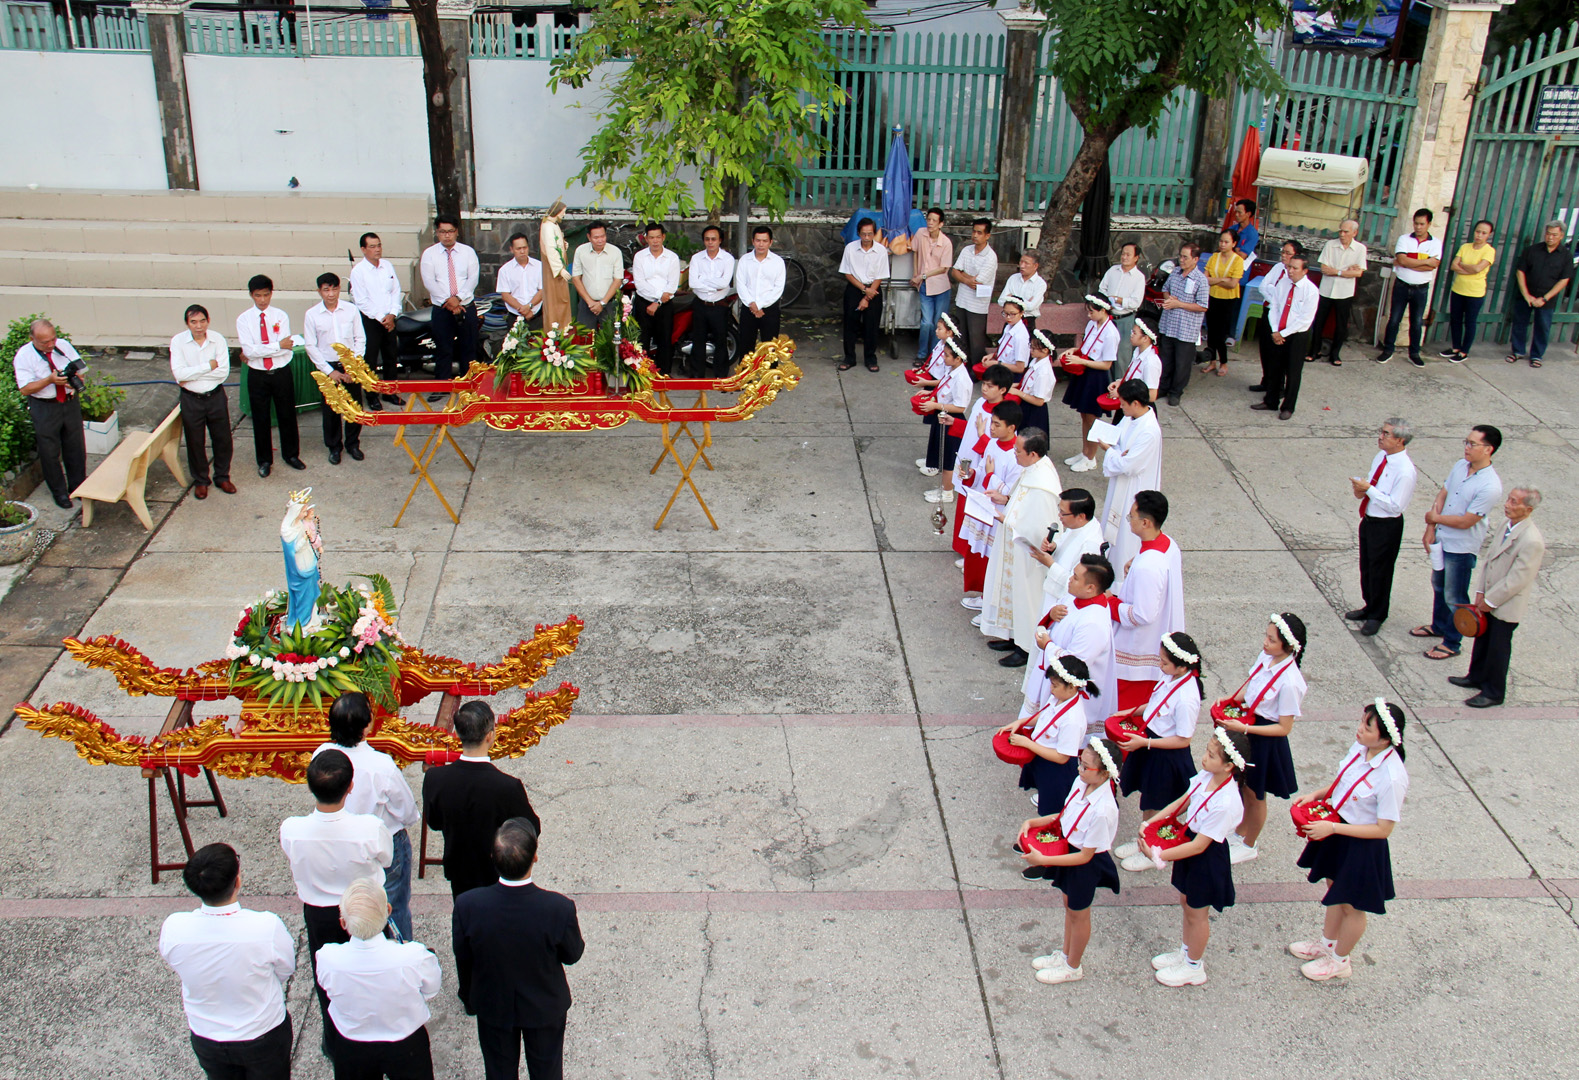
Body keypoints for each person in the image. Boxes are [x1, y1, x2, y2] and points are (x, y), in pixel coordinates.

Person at [452, 818, 584, 1080]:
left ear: (493, 857)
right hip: (544, 1005)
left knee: (499, 1072)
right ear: (534, 858)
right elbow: (573, 954)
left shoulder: (468, 905)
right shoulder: (558, 908)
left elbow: (463, 954)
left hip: (493, 1003)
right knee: (547, 1072)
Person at [279, 749, 394, 1047]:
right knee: (373, 971)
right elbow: (386, 859)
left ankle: (335, 1040)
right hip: (364, 906)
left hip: (319, 912)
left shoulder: (292, 829)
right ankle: (376, 1031)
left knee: (327, 980)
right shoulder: (369, 828)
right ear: (350, 786)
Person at [1289, 700, 1409, 982]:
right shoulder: (1362, 748)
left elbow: (1383, 830)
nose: (1359, 730)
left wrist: (1333, 829)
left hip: (1360, 843)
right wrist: (1319, 795)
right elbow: (1345, 781)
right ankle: (1326, 944)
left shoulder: (1392, 777)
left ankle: (1340, 961)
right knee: (1334, 891)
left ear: (1386, 738)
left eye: (1367, 727)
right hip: (1337, 827)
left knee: (1351, 906)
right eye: (1361, 722)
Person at [159, 843, 295, 1080]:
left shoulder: (174, 927)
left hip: (207, 1036)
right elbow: (285, 969)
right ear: (237, 881)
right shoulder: (265, 926)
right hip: (262, 1032)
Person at [1139, 728, 1251, 987]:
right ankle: (1185, 951)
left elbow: (1200, 846)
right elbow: (1182, 801)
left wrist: (1158, 854)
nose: (1204, 758)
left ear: (1229, 767)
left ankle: (1193, 966)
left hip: (1206, 855)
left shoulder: (1226, 802)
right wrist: (1152, 822)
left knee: (1198, 911)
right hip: (1190, 841)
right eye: (1207, 752)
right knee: (1186, 902)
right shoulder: (1207, 775)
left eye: (1212, 756)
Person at [313, 692, 420, 942]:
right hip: (381, 842)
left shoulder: (323, 753)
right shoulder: (381, 764)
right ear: (368, 724)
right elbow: (407, 812)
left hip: (338, 840)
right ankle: (401, 947)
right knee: (393, 902)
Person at [1018, 738, 1123, 985]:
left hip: (1084, 863)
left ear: (1105, 773)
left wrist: (1043, 858)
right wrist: (1034, 822)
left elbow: (1087, 855)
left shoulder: (1103, 809)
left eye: (1086, 767)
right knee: (1069, 905)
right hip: (1069, 850)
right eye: (1080, 763)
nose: (1080, 769)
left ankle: (1073, 966)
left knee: (1079, 912)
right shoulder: (1081, 782)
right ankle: (1065, 954)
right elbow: (1065, 815)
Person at [316, 878, 441, 1080]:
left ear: (343, 923)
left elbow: (327, 989)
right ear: (388, 910)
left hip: (352, 1044)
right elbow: (431, 988)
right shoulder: (414, 956)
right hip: (405, 1040)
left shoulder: (328, 958)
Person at [422, 701, 541, 898]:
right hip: (497, 871)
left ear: (459, 734)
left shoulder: (435, 779)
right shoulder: (507, 786)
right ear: (489, 735)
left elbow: (434, 822)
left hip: (458, 870)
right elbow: (531, 828)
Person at [1215, 613, 1307, 865]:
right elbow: (1253, 687)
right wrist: (1234, 700)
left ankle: (1249, 843)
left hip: (1264, 736)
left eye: (1272, 640)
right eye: (1266, 636)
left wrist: (1244, 729)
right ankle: (1240, 830)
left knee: (1256, 794)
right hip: (1249, 723)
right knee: (1243, 785)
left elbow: (1283, 727)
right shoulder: (1266, 657)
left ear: (1288, 647)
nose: (1265, 643)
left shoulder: (1290, 682)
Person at [1111, 632, 1204, 872]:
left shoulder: (1187, 698)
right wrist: (1130, 712)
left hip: (1165, 752)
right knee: (1148, 798)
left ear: (1182, 666)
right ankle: (1144, 838)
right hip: (1150, 743)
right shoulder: (1170, 678)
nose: (1159, 665)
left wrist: (1145, 744)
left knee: (1159, 803)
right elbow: (1155, 704)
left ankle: (1152, 848)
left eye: (1164, 662)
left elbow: (1183, 739)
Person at [1415, 424, 1503, 661]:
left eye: (1473, 444)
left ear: (1488, 450)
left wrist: (1435, 518)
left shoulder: (1490, 485)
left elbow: (1467, 521)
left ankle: (1452, 642)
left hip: (1461, 547)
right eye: (1466, 442)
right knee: (1438, 585)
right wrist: (1431, 527)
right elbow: (1443, 493)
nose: (1467, 447)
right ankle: (1439, 625)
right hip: (1442, 539)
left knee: (1455, 595)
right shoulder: (1460, 466)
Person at [1451, 487, 1545, 707]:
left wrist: (1490, 601)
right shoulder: (1506, 525)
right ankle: (1476, 676)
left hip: (1505, 605)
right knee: (1482, 639)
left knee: (1498, 647)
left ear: (1528, 509)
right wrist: (1481, 592)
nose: (1508, 505)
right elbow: (1490, 560)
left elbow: (1517, 579)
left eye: (1514, 502)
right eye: (1509, 500)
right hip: (1489, 598)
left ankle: (1493, 692)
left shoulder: (1532, 541)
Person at [976, 428, 1060, 661]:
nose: (1014, 454)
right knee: (1012, 593)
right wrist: (1004, 500)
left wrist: (1003, 517)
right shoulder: (1032, 469)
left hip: (1027, 556)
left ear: (1033, 454)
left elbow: (1038, 526)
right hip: (1013, 546)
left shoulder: (1043, 486)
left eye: (1018, 451)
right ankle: (1013, 636)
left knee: (1026, 597)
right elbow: (1021, 502)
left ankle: (1026, 647)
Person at [1021, 554, 1117, 724]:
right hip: (1049, 676)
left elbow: (1075, 666)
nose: (1070, 580)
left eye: (1075, 577)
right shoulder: (1075, 597)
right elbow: (1058, 621)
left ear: (1090, 588)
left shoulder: (1094, 623)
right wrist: (1051, 615)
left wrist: (1047, 645)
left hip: (1067, 690)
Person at [1110, 490, 1185, 707]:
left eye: (1131, 517)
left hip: (1141, 648)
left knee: (1126, 711)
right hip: (1160, 633)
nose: (1129, 521)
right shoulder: (1167, 543)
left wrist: (1111, 602)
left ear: (1145, 522)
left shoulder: (1148, 566)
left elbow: (1143, 614)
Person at [999, 653, 1097, 818]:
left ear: (1072, 686)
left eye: (1055, 685)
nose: (1051, 689)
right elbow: (1045, 715)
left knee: (1052, 811)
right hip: (1042, 755)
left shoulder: (1073, 719)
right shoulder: (1059, 697)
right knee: (1043, 790)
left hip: (1056, 769)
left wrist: (1027, 743)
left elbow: (1062, 757)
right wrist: (1021, 722)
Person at [1345, 417, 1418, 636]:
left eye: (1387, 434)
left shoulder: (1405, 471)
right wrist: (1362, 488)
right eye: (1382, 431)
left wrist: (1369, 490)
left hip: (1386, 526)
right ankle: (1369, 605)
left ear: (1400, 440)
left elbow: (1395, 506)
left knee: (1381, 571)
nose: (1381, 436)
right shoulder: (1381, 457)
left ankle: (1378, 614)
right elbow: (1373, 482)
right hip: (1369, 519)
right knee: (1367, 567)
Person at [959, 404, 1024, 616]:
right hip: (985, 508)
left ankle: (992, 605)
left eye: (997, 424)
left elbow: (1012, 493)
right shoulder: (993, 444)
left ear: (1012, 427)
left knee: (995, 559)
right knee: (981, 556)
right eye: (992, 423)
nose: (992, 428)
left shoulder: (1018, 457)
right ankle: (984, 595)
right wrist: (971, 474)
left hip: (1000, 514)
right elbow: (982, 470)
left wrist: (988, 476)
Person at [235, 275, 304, 478]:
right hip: (258, 374)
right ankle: (264, 460)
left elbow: (286, 349)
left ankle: (291, 455)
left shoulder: (280, 316)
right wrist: (275, 346)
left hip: (281, 371)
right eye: (258, 296)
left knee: (287, 415)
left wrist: (267, 348)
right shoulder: (244, 319)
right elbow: (249, 351)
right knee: (261, 418)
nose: (263, 300)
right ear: (251, 295)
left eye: (266, 295)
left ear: (271, 293)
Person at [303, 272, 368, 466]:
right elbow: (310, 346)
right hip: (328, 366)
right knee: (331, 410)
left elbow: (360, 338)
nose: (331, 294)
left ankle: (352, 444)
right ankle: (334, 447)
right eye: (326, 290)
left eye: (334, 289)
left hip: (350, 365)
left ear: (339, 289)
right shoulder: (312, 314)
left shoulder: (351, 310)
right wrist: (329, 372)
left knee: (354, 407)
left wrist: (354, 367)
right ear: (319, 291)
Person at [1098, 379, 1163, 577]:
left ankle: (1121, 576)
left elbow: (1129, 465)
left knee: (1126, 534)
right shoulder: (1131, 418)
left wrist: (1109, 451)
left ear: (1136, 403)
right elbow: (1119, 440)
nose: (1120, 406)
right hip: (1120, 483)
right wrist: (1118, 451)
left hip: (1134, 487)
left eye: (1123, 403)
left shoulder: (1149, 431)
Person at [170, 305, 235, 501]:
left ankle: (222, 476)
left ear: (208, 320)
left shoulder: (217, 340)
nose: (199, 326)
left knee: (222, 438)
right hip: (191, 399)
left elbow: (222, 372)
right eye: (193, 322)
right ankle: (201, 481)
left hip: (215, 396)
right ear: (187, 323)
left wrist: (192, 374)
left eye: (202, 321)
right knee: (195, 441)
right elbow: (178, 374)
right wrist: (208, 366)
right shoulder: (178, 342)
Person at [1251, 254, 1319, 420]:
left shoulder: (1311, 291)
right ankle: (1271, 400)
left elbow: (1304, 319)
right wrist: (1275, 331)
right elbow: (1274, 307)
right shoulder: (1283, 283)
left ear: (1305, 271)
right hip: (1278, 331)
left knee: (1293, 372)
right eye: (1289, 267)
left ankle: (1288, 406)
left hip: (1296, 335)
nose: (1290, 271)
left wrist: (1284, 333)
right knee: (1274, 367)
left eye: (1295, 268)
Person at [420, 215, 480, 398]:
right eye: (443, 232)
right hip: (441, 307)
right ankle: (441, 386)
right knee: (443, 347)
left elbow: (473, 279)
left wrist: (458, 299)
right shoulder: (429, 254)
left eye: (450, 231)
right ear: (437, 233)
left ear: (457, 232)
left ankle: (468, 385)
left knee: (468, 347)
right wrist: (449, 301)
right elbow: (429, 281)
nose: (447, 236)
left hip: (465, 305)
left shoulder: (468, 252)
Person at [1059, 295, 1120, 472]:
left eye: (1092, 312)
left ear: (1103, 310)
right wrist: (1074, 352)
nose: (1089, 315)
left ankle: (1091, 457)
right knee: (1084, 415)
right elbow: (1086, 347)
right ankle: (1085, 451)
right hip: (1085, 369)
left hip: (1096, 375)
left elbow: (1107, 364)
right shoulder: (1093, 324)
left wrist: (1083, 362)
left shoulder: (1111, 333)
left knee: (1093, 416)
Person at [1377, 208, 1441, 367]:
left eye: (1422, 224)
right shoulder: (1404, 239)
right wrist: (1425, 261)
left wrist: (1409, 262)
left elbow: (1432, 266)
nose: (1418, 227)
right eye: (1416, 223)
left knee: (1417, 321)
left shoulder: (1436, 243)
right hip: (1402, 285)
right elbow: (1402, 260)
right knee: (1394, 319)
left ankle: (1414, 353)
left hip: (1421, 288)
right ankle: (1388, 349)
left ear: (1429, 224)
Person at [349, 231, 404, 409]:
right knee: (370, 359)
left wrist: (392, 314)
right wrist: (382, 317)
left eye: (379, 245)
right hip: (371, 320)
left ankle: (390, 392)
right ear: (363, 249)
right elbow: (362, 301)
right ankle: (371, 395)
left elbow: (396, 290)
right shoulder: (358, 271)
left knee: (391, 357)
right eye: (372, 246)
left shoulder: (387, 266)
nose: (377, 250)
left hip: (390, 319)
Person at [1507, 219, 1572, 368]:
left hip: (1546, 298)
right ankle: (1517, 351)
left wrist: (1544, 298)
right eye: (1548, 234)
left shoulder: (1565, 256)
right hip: (1526, 295)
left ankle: (1537, 355)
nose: (1550, 238)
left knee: (1542, 326)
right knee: (1519, 323)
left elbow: (1564, 280)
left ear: (1561, 236)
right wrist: (1526, 295)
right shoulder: (1532, 250)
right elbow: (1520, 271)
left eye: (1554, 235)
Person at [1155, 242, 1208, 407]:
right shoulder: (1176, 273)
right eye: (1181, 256)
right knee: (1166, 358)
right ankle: (1163, 387)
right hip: (1169, 324)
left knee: (1182, 363)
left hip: (1186, 328)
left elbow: (1203, 306)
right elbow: (1165, 289)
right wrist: (1169, 298)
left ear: (1195, 259)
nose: (1182, 260)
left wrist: (1180, 304)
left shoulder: (1201, 280)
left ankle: (1176, 391)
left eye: (1185, 257)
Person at [919, 337, 974, 497]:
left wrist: (935, 405)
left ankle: (948, 492)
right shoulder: (952, 371)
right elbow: (944, 389)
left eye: (947, 355)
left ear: (958, 358)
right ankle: (944, 488)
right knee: (941, 455)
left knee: (948, 459)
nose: (944, 357)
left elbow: (960, 406)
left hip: (952, 420)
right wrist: (930, 393)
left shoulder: (962, 378)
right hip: (943, 416)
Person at [1308, 219, 1367, 367]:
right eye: (1340, 231)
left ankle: (1335, 353)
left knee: (1341, 324)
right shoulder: (1330, 245)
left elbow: (1359, 273)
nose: (1342, 234)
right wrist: (1346, 272)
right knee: (1319, 320)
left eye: (1346, 231)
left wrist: (1337, 271)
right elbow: (1324, 269)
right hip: (1326, 289)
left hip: (1345, 292)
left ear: (1354, 233)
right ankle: (1314, 350)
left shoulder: (1360, 249)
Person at [839, 217, 889, 372]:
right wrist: (863, 289)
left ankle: (870, 358)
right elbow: (847, 273)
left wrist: (867, 297)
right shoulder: (850, 248)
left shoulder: (881, 250)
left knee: (871, 326)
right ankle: (849, 358)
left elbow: (880, 275)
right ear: (858, 233)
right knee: (850, 325)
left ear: (874, 233)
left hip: (873, 289)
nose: (866, 238)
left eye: (869, 234)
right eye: (863, 234)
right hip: (855, 287)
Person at [1248, 240, 1298, 394]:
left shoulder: (1294, 274)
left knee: (1279, 351)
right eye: (1283, 252)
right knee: (1265, 348)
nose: (1284, 256)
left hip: (1282, 316)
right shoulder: (1278, 267)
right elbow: (1264, 286)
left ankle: (1278, 385)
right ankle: (1266, 380)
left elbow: (1283, 298)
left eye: (1288, 253)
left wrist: (1274, 294)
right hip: (1268, 310)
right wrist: (1274, 295)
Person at [631, 222, 682, 375]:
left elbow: (672, 285)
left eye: (658, 237)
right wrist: (658, 296)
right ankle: (643, 375)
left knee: (665, 341)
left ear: (663, 237)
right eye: (651, 237)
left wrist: (658, 302)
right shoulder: (639, 257)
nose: (655, 241)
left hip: (664, 304)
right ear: (646, 239)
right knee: (642, 341)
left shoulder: (672, 257)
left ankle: (663, 375)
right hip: (643, 303)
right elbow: (640, 284)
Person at [1442, 219, 1495, 363]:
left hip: (1475, 293)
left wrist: (1463, 266)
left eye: (1484, 233)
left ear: (1489, 235)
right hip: (1458, 289)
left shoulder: (1489, 251)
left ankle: (1464, 351)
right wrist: (1469, 268)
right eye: (1478, 231)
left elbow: (1479, 268)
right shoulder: (1465, 247)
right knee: (1455, 319)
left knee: (1470, 321)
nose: (1479, 235)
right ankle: (1455, 347)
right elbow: (1453, 265)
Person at [687, 224, 736, 376]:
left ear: (720, 240)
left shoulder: (727, 259)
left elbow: (724, 283)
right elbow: (693, 283)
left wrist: (704, 281)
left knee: (720, 340)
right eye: (707, 239)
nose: (710, 242)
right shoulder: (697, 258)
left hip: (719, 306)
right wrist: (713, 286)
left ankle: (721, 375)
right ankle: (697, 375)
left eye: (713, 239)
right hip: (700, 304)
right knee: (698, 340)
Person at [951, 218, 997, 368]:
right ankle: (962, 366)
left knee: (976, 339)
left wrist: (963, 276)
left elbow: (977, 282)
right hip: (962, 300)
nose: (975, 235)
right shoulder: (966, 250)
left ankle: (976, 370)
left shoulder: (991, 256)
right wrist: (966, 278)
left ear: (987, 236)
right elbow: (954, 271)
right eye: (974, 231)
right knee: (961, 335)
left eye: (979, 232)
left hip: (978, 304)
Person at [910, 208, 954, 361]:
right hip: (924, 286)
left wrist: (922, 275)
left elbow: (943, 268)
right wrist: (916, 274)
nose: (930, 223)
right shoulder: (921, 233)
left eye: (934, 220)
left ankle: (935, 356)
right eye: (929, 219)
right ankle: (922, 354)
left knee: (938, 323)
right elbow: (915, 252)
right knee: (926, 322)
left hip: (941, 287)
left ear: (941, 224)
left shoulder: (946, 243)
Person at [735, 224, 786, 353]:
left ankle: (770, 373)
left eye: (764, 241)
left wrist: (761, 305)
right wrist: (752, 304)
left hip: (770, 309)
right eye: (758, 240)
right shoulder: (744, 260)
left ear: (770, 242)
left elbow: (778, 288)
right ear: (753, 241)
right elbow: (741, 284)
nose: (761, 244)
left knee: (770, 348)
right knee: (746, 347)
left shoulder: (777, 262)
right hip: (748, 308)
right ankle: (746, 374)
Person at [1201, 229, 1245, 375]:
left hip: (1228, 300)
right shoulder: (1214, 257)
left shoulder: (1238, 260)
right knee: (1211, 331)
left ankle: (1224, 362)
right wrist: (1222, 280)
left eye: (1226, 242)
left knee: (1221, 333)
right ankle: (1212, 360)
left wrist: (1215, 281)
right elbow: (1205, 278)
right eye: (1221, 241)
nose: (1223, 244)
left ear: (1233, 243)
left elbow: (1233, 284)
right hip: (1212, 296)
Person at [570, 219, 623, 333]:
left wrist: (602, 303)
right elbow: (576, 278)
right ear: (589, 237)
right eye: (596, 237)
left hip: (608, 304)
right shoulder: (581, 251)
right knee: (585, 340)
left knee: (609, 341)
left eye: (602, 236)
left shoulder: (615, 252)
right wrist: (590, 302)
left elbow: (618, 280)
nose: (600, 240)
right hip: (587, 304)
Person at [1098, 241, 1147, 365]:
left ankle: (1120, 382)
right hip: (1108, 316)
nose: (1124, 257)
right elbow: (1102, 288)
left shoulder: (1139, 277)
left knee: (1122, 354)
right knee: (1105, 351)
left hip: (1125, 319)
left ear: (1136, 258)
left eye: (1128, 255)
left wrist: (1118, 300)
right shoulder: (1113, 270)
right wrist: (1107, 301)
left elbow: (1136, 302)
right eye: (1123, 254)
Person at [496, 231, 544, 334]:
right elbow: (505, 295)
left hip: (536, 315)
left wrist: (529, 307)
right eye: (518, 249)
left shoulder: (539, 266)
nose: (522, 251)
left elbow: (542, 290)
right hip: (515, 316)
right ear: (511, 249)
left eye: (525, 247)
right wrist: (522, 309)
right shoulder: (505, 270)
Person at [1107, 318, 1161, 406]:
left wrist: (1123, 393)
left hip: (1139, 407)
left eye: (1134, 333)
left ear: (1145, 338)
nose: (1131, 335)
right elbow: (1131, 377)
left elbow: (1152, 395)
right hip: (1128, 402)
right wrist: (1121, 382)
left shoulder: (1151, 362)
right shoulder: (1137, 351)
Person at [538, 201, 572, 332]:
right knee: (556, 300)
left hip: (559, 267)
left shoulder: (554, 225)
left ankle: (564, 326)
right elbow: (550, 249)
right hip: (555, 271)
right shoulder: (547, 226)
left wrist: (563, 244)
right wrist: (560, 269)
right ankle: (557, 329)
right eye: (563, 212)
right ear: (556, 211)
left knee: (562, 298)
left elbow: (556, 243)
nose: (564, 215)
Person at [1016, 329, 1056, 437]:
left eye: (1034, 348)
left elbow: (1039, 401)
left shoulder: (1043, 372)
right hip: (1026, 405)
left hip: (1034, 411)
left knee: (1031, 441)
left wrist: (1018, 393)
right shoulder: (1035, 361)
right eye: (1031, 346)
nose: (1031, 350)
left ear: (1045, 350)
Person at [998, 250, 1047, 334]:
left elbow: (1031, 306)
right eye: (1021, 262)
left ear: (1035, 266)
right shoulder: (1013, 278)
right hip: (1010, 319)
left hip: (1027, 322)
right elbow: (1001, 301)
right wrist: (1025, 301)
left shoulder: (1040, 284)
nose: (1022, 266)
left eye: (1026, 263)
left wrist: (1012, 298)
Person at [1227, 198, 1259, 263]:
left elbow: (1242, 256)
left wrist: (1230, 249)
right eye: (1236, 212)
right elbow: (1221, 248)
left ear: (1248, 214)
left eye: (1239, 212)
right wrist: (1236, 250)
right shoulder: (1231, 229)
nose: (1236, 215)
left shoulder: (1252, 234)